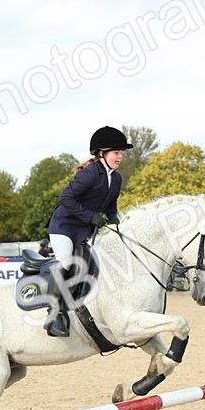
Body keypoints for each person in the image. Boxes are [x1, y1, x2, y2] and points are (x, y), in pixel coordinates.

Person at [43, 125, 131, 337]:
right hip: (64, 227)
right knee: (67, 264)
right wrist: (90, 216)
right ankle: (53, 314)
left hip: (85, 230)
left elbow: (111, 207)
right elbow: (65, 199)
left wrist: (119, 223)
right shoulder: (90, 174)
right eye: (116, 152)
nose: (120, 157)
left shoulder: (116, 178)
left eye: (121, 153)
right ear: (102, 153)